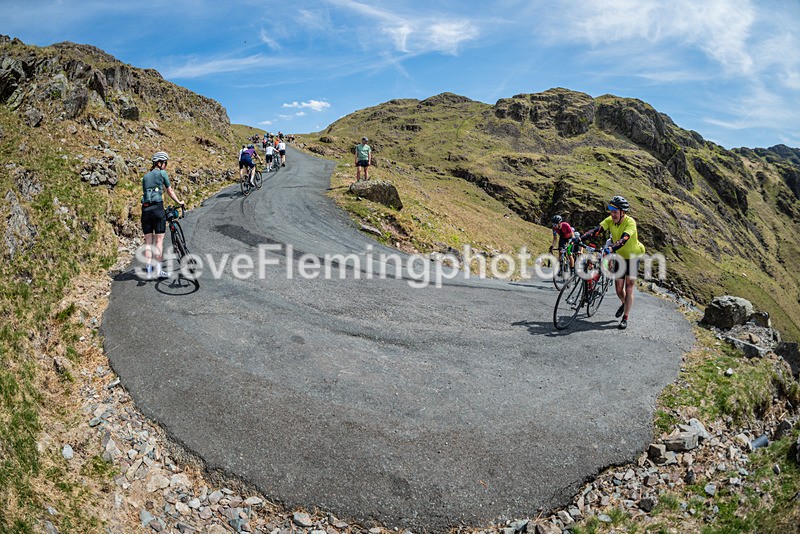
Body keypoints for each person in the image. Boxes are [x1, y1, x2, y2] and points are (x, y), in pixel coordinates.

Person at [573, 195, 645, 330]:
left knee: (629, 287)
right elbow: (596, 231)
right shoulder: (610, 220)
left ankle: (625, 318)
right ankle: (624, 303)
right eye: (611, 212)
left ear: (623, 212)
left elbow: (624, 239)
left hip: (633, 256)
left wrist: (611, 248)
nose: (613, 215)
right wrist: (580, 239)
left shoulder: (630, 222)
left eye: (615, 212)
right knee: (618, 289)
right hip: (620, 257)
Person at [141, 151, 184, 279]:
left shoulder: (145, 177)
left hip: (145, 210)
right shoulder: (162, 173)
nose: (166, 165)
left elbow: (145, 193)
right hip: (157, 209)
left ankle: (149, 271)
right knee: (159, 241)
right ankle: (159, 271)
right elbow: (169, 191)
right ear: (160, 163)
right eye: (165, 163)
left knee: (148, 242)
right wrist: (179, 202)